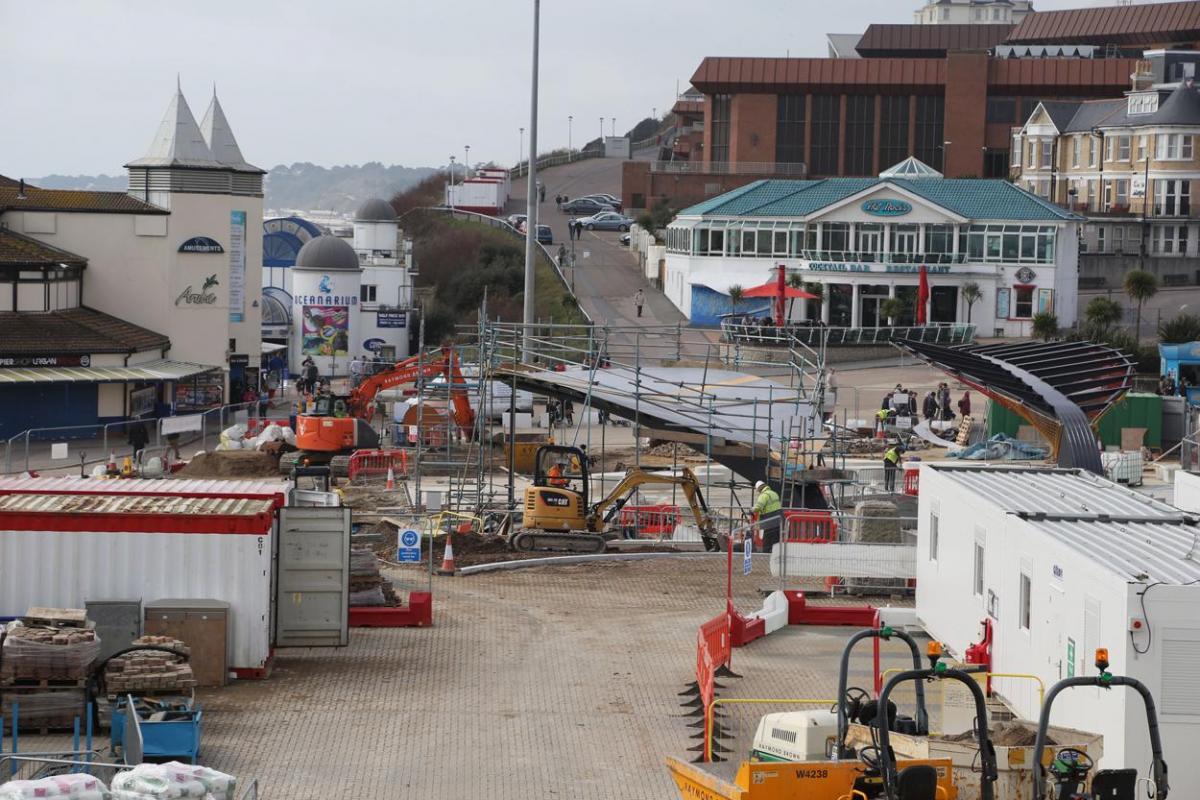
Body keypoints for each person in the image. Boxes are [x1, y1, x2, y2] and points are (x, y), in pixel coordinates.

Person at [751, 480, 782, 553]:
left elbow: (758, 507)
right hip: (778, 520)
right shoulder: (774, 493)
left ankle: (766, 555)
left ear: (759, 489)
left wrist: (752, 509)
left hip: (769, 521)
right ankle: (776, 554)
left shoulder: (763, 496)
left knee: (767, 540)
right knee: (776, 539)